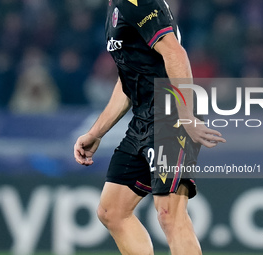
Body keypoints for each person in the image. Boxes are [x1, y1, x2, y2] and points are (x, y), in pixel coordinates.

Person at [74, 0, 226, 254]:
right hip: (144, 119)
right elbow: (127, 82)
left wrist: (186, 115)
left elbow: (175, 53)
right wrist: (95, 132)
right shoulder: (116, 5)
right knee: (112, 211)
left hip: (170, 115)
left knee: (170, 215)